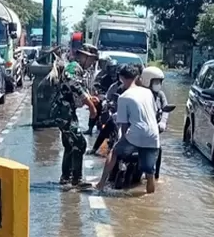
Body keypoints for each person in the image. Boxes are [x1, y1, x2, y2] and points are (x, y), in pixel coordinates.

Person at [96, 64, 160, 194]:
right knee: (150, 173)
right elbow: (153, 113)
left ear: (120, 78)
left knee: (114, 152)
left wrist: (124, 138)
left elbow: (123, 124)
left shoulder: (124, 97)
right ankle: (150, 199)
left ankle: (101, 183)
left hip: (135, 134)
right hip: (153, 136)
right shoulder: (148, 92)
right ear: (137, 77)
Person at [47, 43, 99, 185]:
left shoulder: (77, 69)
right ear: (84, 57)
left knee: (70, 144)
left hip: (66, 110)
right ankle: (77, 180)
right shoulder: (74, 67)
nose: (92, 64)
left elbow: (78, 88)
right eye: (91, 60)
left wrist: (89, 98)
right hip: (64, 112)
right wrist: (91, 106)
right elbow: (74, 85)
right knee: (80, 143)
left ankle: (66, 178)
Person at [140, 66, 169, 179]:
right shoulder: (139, 93)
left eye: (160, 82)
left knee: (159, 149)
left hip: (154, 129)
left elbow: (166, 109)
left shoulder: (160, 95)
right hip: (138, 127)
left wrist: (163, 122)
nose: (159, 84)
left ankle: (155, 176)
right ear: (148, 80)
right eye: (156, 82)